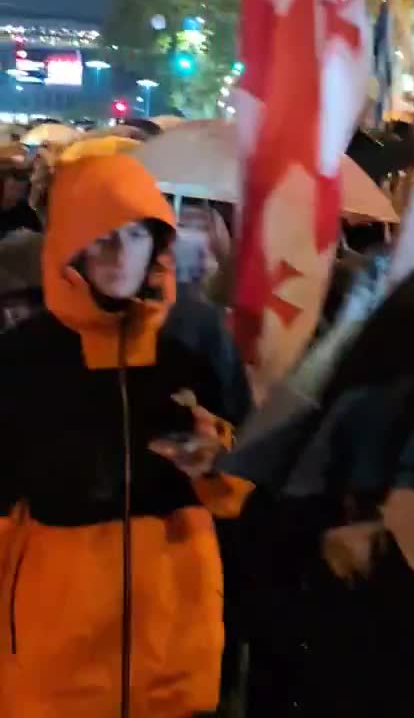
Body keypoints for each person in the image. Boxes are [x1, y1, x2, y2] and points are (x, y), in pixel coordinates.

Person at [0, 154, 253, 718]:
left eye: (136, 234)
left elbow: (251, 470)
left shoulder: (197, 334)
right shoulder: (25, 354)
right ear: (71, 241)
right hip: (54, 646)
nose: (120, 254)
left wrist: (216, 462)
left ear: (157, 241)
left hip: (174, 634)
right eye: (102, 236)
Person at [0, 168, 41, 240]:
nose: (14, 193)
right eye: (12, 188)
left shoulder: (27, 211)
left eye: (19, 190)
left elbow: (38, 235)